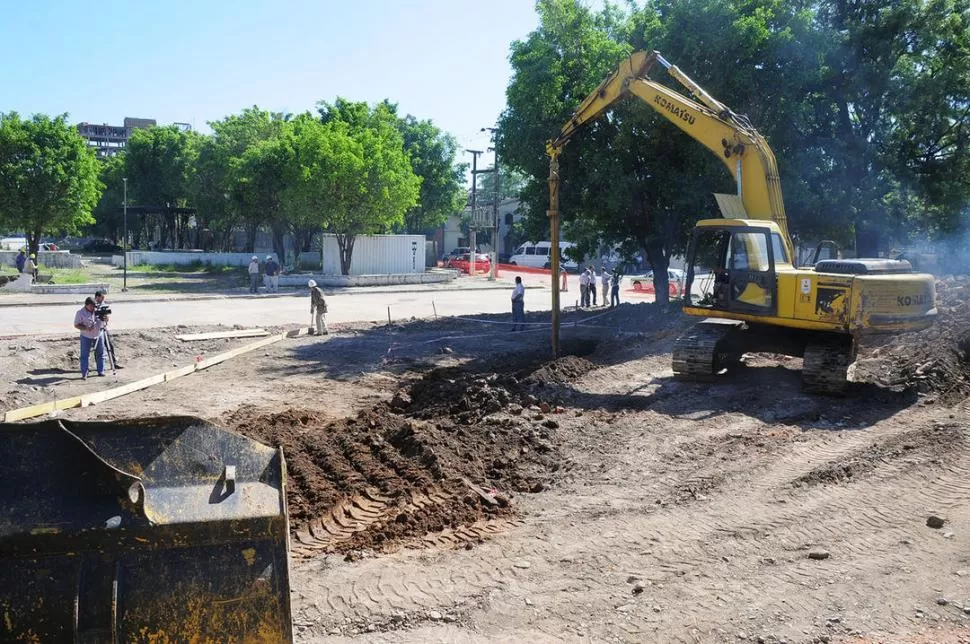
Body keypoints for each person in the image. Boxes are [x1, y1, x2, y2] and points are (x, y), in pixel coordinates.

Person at [73, 297, 106, 379]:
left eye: (94, 306)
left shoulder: (97, 311)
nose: (93, 308)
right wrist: (86, 328)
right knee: (85, 355)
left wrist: (105, 318)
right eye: (91, 306)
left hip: (98, 335)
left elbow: (104, 322)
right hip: (86, 336)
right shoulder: (80, 313)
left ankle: (101, 371)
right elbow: (76, 325)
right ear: (86, 305)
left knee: (100, 354)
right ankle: (85, 373)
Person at [94, 290, 121, 370]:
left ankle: (114, 363)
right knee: (97, 348)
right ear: (97, 297)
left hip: (104, 328)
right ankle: (99, 366)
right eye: (101, 297)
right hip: (96, 330)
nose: (103, 299)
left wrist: (106, 318)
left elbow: (106, 317)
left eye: (103, 297)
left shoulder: (103, 305)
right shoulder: (93, 305)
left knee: (110, 345)